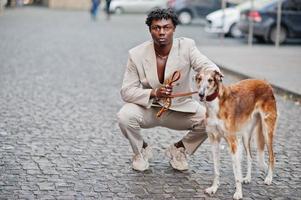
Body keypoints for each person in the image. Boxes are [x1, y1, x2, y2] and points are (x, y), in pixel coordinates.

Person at [117, 8, 221, 172]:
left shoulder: (187, 46)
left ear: (174, 29)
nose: (161, 32)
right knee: (124, 117)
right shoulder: (136, 54)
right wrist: (154, 92)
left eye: (166, 27)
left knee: (212, 120)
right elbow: (126, 91)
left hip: (180, 108)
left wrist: (214, 75)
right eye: (156, 28)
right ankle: (141, 150)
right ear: (150, 30)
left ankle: (179, 149)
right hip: (149, 108)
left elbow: (205, 64)